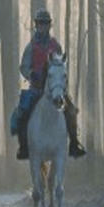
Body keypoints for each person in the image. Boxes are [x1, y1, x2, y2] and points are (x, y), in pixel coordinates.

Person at [14, 8, 86, 160]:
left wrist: (60, 83)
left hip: (55, 89)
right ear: (36, 25)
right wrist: (31, 74)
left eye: (45, 24)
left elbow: (61, 66)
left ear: (49, 26)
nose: (42, 26)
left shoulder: (56, 46)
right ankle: (24, 147)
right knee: (21, 113)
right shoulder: (31, 47)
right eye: (40, 23)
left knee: (71, 111)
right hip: (36, 88)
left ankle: (73, 143)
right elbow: (24, 66)